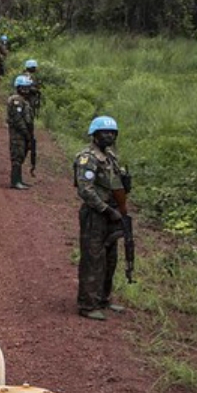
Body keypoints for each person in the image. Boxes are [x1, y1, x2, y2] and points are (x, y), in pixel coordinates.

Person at [74, 116, 131, 320]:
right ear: (95, 134)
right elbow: (86, 190)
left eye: (112, 133)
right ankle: (87, 304)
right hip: (95, 214)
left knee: (110, 257)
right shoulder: (87, 157)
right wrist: (106, 209)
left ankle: (103, 298)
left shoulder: (111, 157)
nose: (109, 136)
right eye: (104, 132)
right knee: (93, 258)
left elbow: (116, 185)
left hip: (112, 213)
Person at [7, 75, 35, 190]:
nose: (27, 90)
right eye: (24, 87)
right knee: (17, 157)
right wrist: (26, 133)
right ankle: (15, 182)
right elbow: (18, 120)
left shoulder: (24, 101)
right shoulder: (16, 101)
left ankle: (19, 180)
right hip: (18, 134)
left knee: (21, 156)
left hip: (23, 133)